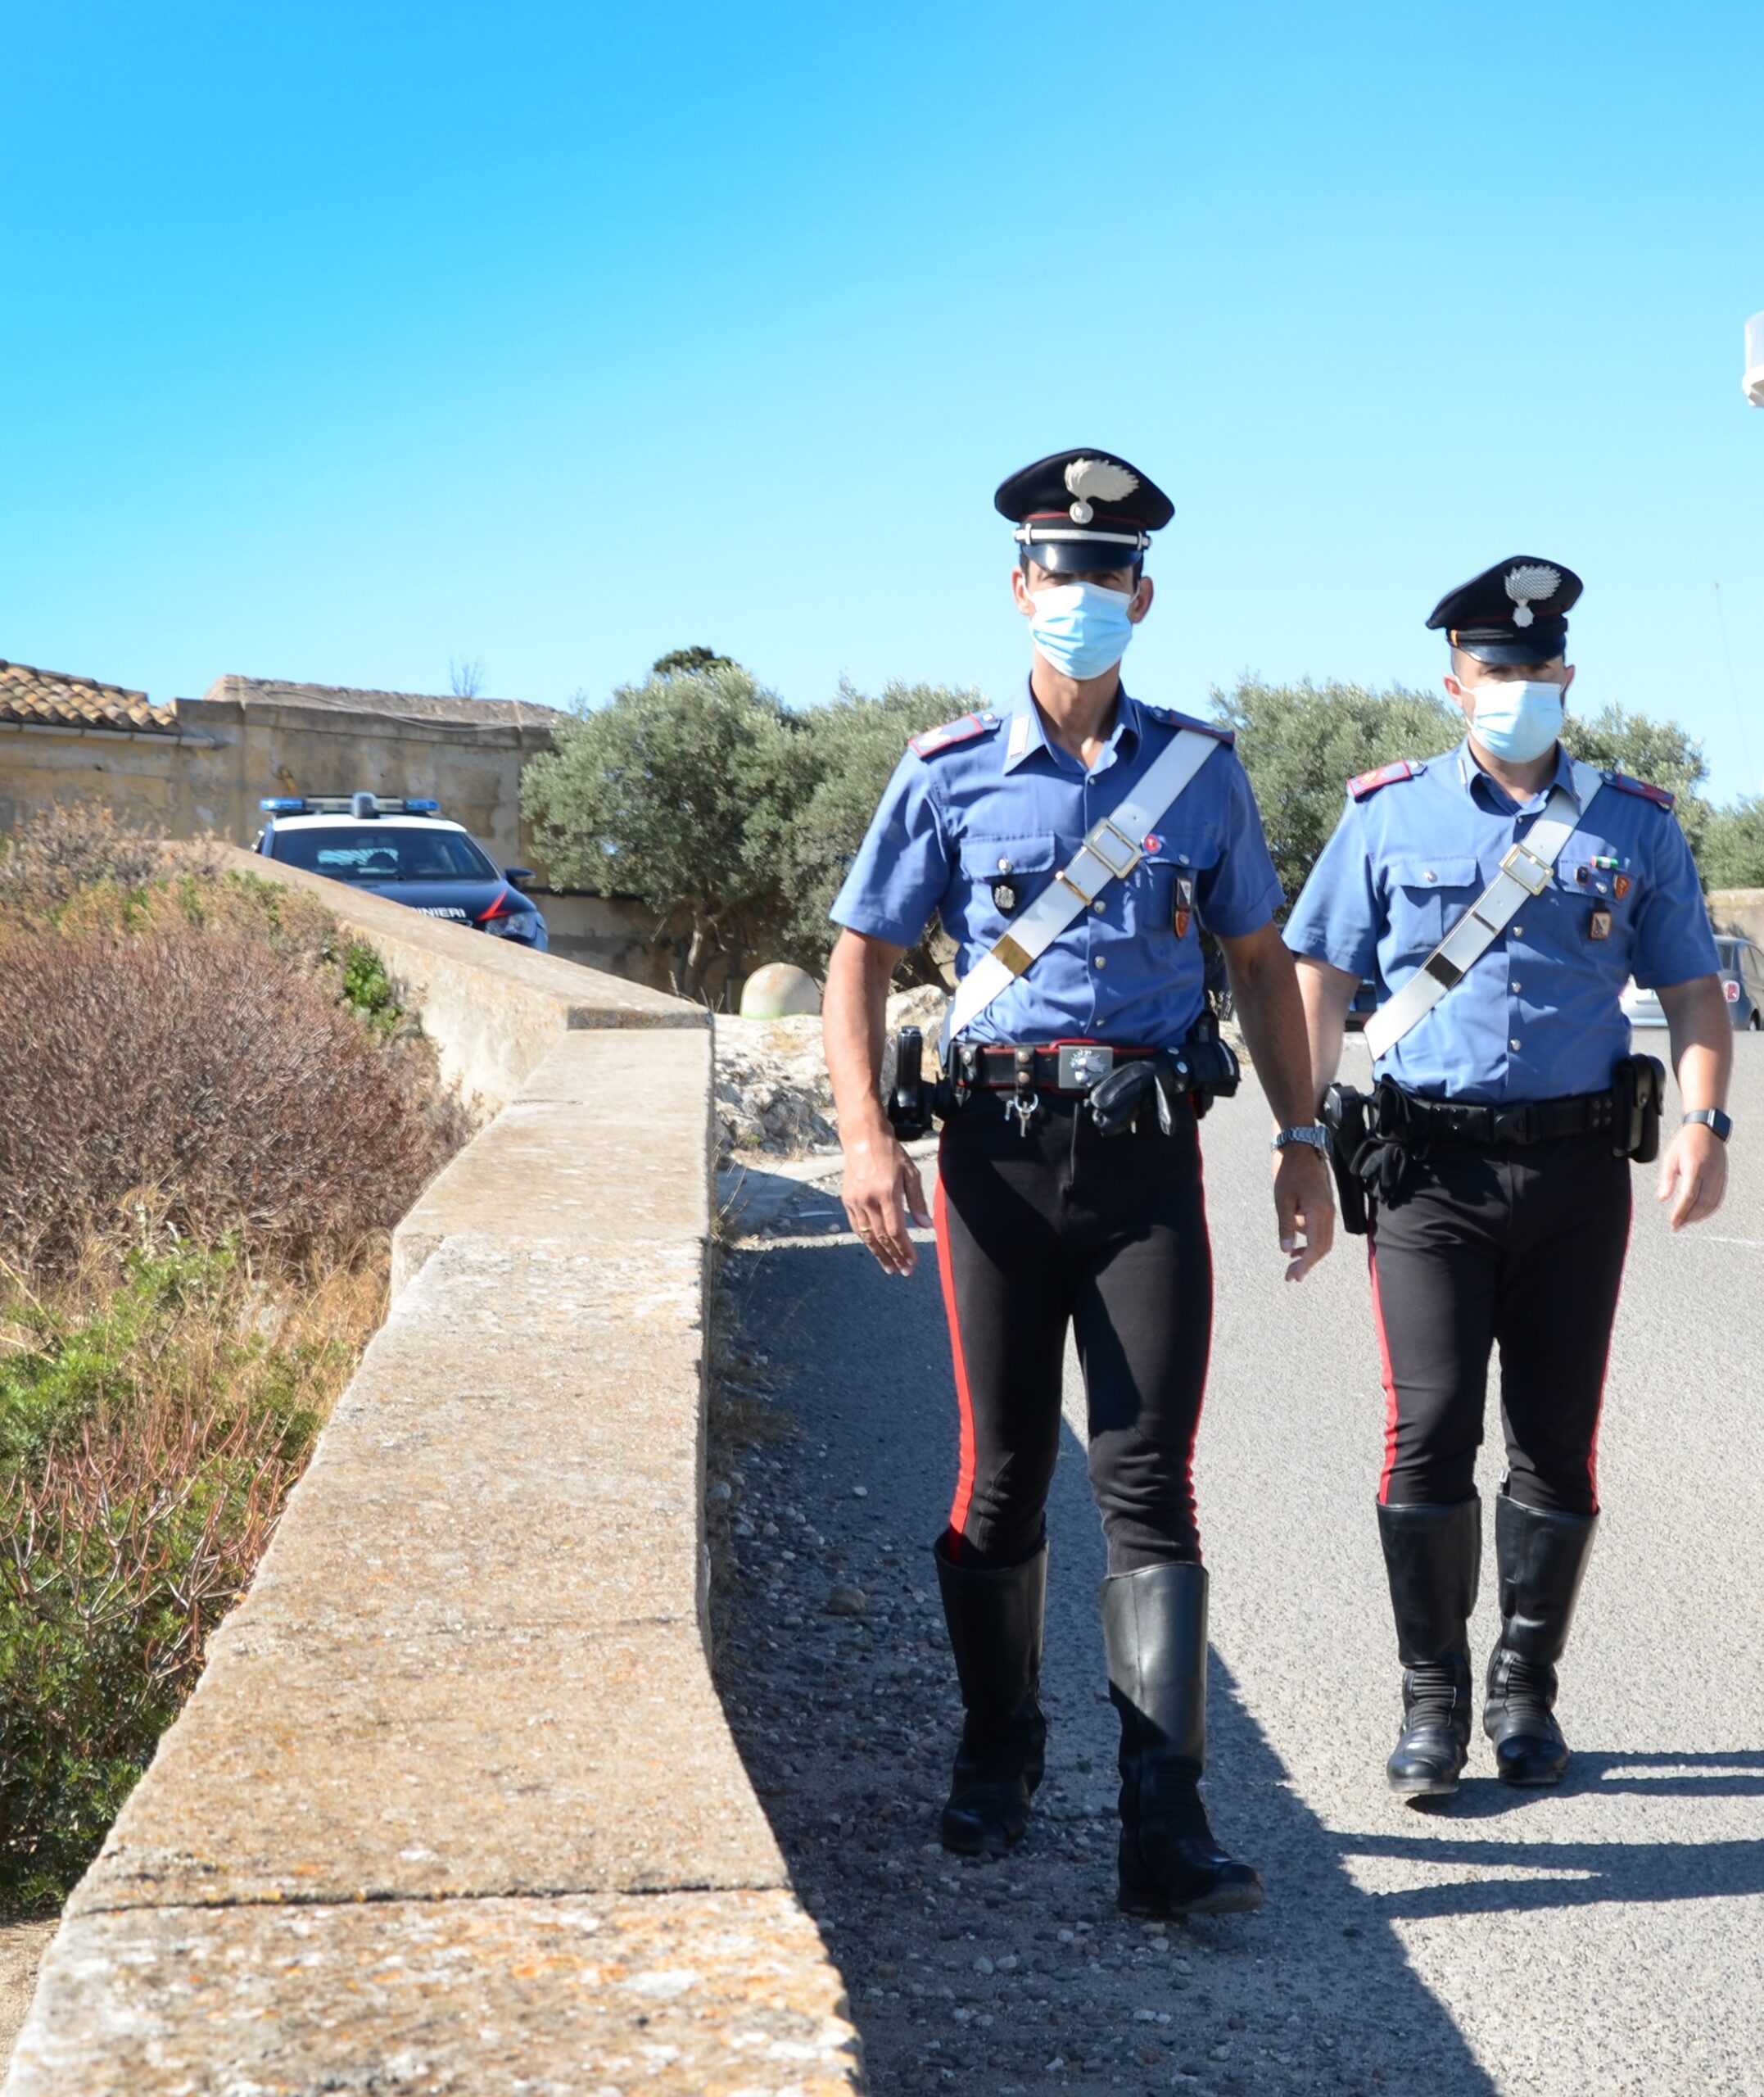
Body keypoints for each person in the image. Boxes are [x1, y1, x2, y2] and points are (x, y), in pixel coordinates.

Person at [821, 449, 1335, 1916]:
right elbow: (857, 955)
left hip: (1143, 1167)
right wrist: (866, 1136)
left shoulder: (1203, 773)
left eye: (1109, 575)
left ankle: (1162, 1826)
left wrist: (1302, 1146)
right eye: (1061, 570)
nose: (1083, 595)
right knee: (1000, 1481)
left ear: (1142, 595)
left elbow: (1254, 964)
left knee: (1150, 1482)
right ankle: (999, 1754)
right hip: (989, 1165)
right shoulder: (946, 773)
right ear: (1017, 586)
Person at [1284, 556, 1732, 1800]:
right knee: (1425, 1431)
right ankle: (1430, 1705)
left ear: (1566, 677)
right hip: (1426, 1175)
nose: (1518, 687)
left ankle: (1523, 1695)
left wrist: (1704, 1120)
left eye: (1538, 669)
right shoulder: (1383, 815)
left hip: (1578, 1174)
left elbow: (1693, 987)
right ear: (1452, 684)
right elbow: (1315, 977)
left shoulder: (1630, 822)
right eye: (1496, 670)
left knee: (1555, 1444)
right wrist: (1303, 1136)